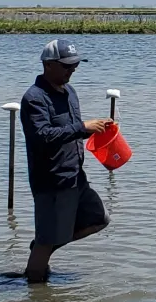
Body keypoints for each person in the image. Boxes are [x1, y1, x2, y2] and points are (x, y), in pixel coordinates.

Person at [18, 39, 114, 283]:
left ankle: (44, 247)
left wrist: (97, 129)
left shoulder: (70, 92)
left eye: (75, 65)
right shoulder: (34, 98)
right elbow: (43, 136)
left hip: (75, 176)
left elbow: (74, 131)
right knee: (45, 241)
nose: (73, 70)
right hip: (51, 181)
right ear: (48, 65)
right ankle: (37, 293)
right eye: (67, 66)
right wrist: (83, 127)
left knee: (99, 218)